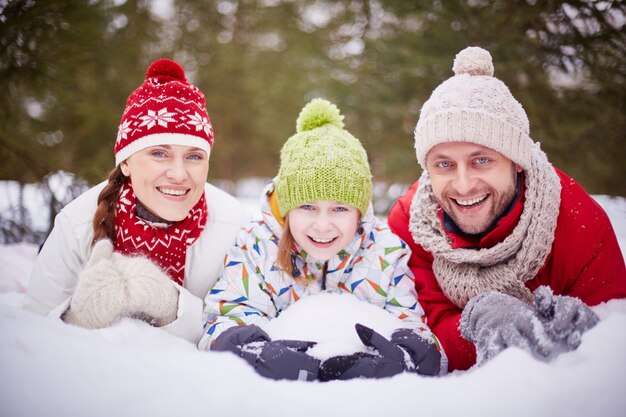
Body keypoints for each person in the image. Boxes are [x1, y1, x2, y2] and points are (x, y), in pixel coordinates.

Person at [387, 46, 626, 372]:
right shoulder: (411, 223)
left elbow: (616, 325)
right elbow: (426, 329)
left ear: (516, 161)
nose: (463, 184)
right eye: (444, 164)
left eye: (481, 160)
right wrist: (476, 327)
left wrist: (591, 328)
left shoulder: (574, 218)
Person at [198, 98, 446, 381]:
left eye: (339, 208)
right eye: (307, 207)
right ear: (288, 207)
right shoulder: (257, 245)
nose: (323, 225)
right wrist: (249, 352)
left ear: (359, 210)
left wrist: (406, 357)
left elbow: (414, 327)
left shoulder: (384, 252)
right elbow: (225, 317)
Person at [23, 58, 251, 342]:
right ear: (126, 163)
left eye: (194, 156)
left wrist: (170, 304)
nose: (179, 174)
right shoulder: (76, 223)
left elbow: (241, 325)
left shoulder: (234, 224)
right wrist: (78, 316)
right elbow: (31, 334)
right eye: (159, 153)